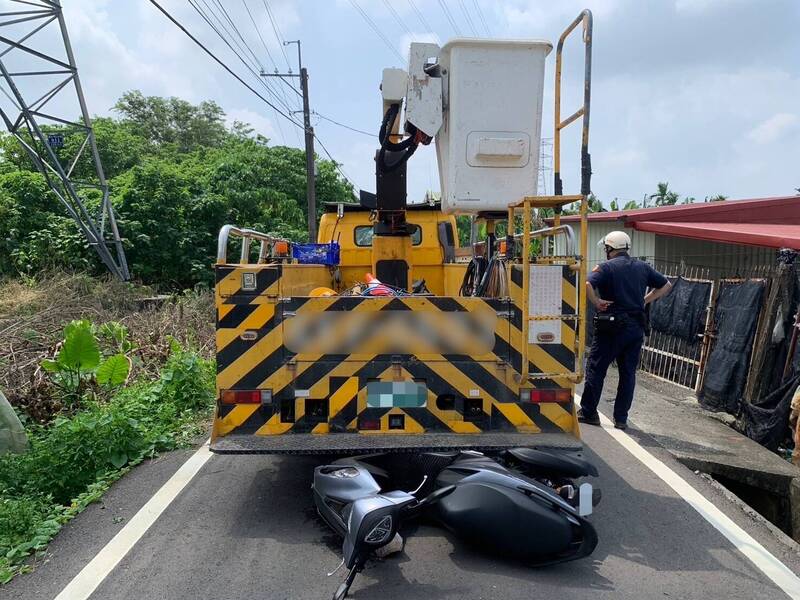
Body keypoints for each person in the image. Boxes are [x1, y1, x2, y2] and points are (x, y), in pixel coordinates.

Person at [577, 231, 672, 430]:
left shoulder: (605, 267)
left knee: (596, 368)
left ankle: (588, 412)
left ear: (609, 248)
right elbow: (666, 285)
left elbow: (586, 283)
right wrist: (644, 301)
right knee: (628, 373)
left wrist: (596, 301)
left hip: (611, 327)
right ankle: (621, 419)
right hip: (635, 327)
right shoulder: (643, 267)